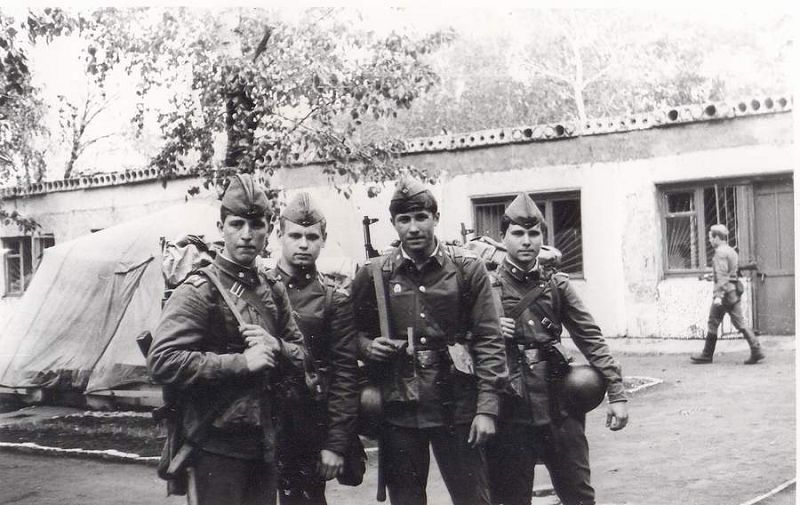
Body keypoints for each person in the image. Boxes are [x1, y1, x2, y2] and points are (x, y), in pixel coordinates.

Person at [147, 174, 307, 505]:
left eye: (256, 224)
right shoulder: (199, 290)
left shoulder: (273, 289)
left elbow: (303, 355)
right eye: (237, 224)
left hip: (265, 443)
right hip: (215, 444)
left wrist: (276, 346)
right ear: (222, 227)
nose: (247, 234)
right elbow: (162, 361)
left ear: (268, 228)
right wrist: (241, 362)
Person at [351, 176, 507, 505]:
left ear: (436, 217)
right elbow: (349, 333)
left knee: (474, 498)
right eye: (404, 219)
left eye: (421, 217)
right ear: (393, 223)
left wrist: (487, 409)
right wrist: (367, 347)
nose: (413, 228)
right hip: (400, 408)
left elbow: (489, 340)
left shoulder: (467, 269)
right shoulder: (375, 274)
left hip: (458, 405)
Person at [485, 193, 629, 505]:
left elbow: (590, 338)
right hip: (510, 408)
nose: (526, 241)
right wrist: (488, 330)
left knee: (579, 495)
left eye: (533, 233)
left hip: (559, 406)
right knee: (509, 498)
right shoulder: (486, 285)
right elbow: (459, 339)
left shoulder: (556, 284)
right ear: (503, 237)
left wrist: (616, 394)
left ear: (542, 237)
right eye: (518, 233)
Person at [270, 192, 362, 504]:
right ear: (279, 235)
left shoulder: (333, 298)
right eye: (295, 236)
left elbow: (345, 375)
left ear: (323, 239)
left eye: (312, 237)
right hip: (262, 422)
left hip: (308, 425)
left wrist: (336, 443)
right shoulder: (259, 289)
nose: (303, 244)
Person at [691, 224, 764, 365]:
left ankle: (707, 355)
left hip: (724, 294)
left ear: (717, 238)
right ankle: (756, 350)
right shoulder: (731, 251)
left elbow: (722, 275)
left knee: (713, 322)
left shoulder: (720, 253)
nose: (710, 241)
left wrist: (718, 295)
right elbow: (730, 273)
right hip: (732, 291)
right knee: (740, 323)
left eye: (711, 238)